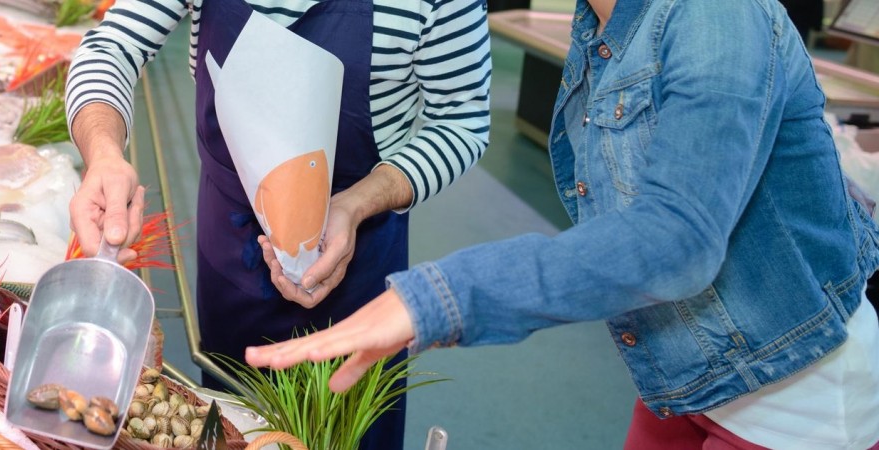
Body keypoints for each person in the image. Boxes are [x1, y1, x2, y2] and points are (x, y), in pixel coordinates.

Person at [246, 0, 879, 448]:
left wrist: (440, 299)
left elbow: (677, 237)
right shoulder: (603, 23)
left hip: (793, 390)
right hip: (684, 373)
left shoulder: (717, 15)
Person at [65, 0, 493, 447]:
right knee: (224, 422)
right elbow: (111, 46)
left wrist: (360, 202)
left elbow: (461, 121)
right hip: (231, 239)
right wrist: (104, 155)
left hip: (358, 248)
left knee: (347, 430)